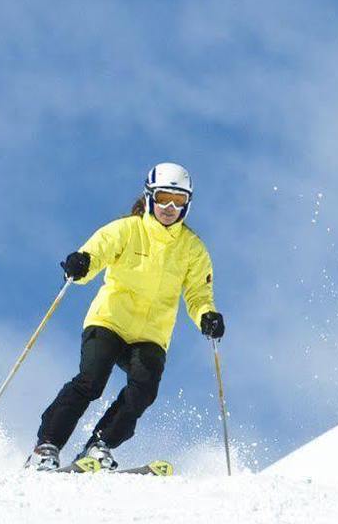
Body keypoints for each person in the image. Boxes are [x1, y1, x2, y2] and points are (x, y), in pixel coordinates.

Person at [25, 162, 223, 472]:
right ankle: (47, 445)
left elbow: (198, 295)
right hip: (110, 320)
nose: (170, 207)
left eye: (179, 200)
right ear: (149, 197)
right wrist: (81, 264)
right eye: (162, 198)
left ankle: (99, 444)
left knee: (143, 391)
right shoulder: (127, 230)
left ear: (187, 204)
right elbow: (97, 252)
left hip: (151, 333)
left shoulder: (192, 250)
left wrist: (207, 316)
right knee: (91, 382)